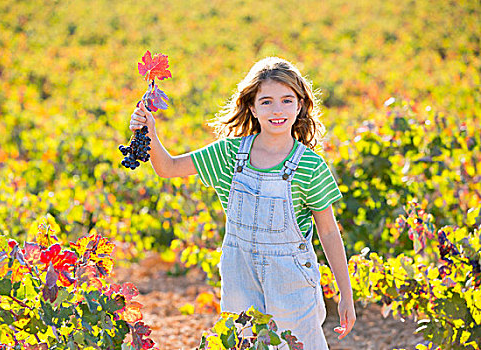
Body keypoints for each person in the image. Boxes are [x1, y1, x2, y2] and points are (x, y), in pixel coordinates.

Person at [129, 57, 356, 349]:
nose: (277, 110)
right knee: (244, 343)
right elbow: (169, 167)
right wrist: (148, 131)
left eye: (287, 100)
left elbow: (327, 231)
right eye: (267, 102)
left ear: (300, 105)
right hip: (240, 279)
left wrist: (345, 294)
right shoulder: (229, 154)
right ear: (252, 106)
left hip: (291, 284)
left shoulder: (311, 166)